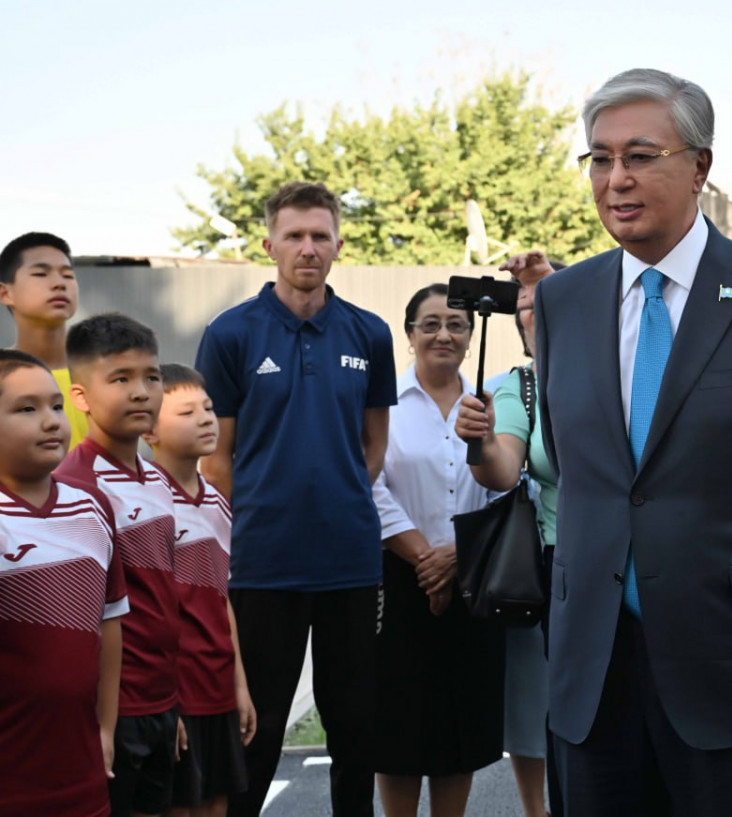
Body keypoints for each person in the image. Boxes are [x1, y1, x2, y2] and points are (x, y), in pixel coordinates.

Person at [532, 68, 732, 817]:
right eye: (600, 158)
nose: (616, 178)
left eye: (640, 156)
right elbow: (583, 472)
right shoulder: (562, 300)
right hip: (595, 679)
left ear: (700, 166)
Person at [194, 181, 396, 817]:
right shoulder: (230, 333)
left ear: (338, 244)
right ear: (269, 245)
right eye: (294, 236)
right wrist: (265, 519)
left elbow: (374, 445)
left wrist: (336, 498)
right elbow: (216, 459)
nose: (308, 248)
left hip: (351, 563)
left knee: (356, 728)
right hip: (263, 564)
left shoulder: (370, 332)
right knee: (258, 728)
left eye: (319, 236)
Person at [371, 284, 502, 817]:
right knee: (397, 725)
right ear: (410, 335)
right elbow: (370, 484)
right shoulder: (384, 403)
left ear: (470, 337)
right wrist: (427, 558)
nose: (443, 334)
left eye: (456, 325)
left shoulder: (488, 404)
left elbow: (506, 487)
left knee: (461, 724)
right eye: (430, 324)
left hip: (474, 578)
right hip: (398, 579)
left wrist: (457, 555)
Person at [56, 313, 184, 817]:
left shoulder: (158, 478)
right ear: (81, 396)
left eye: (151, 377)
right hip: (115, 709)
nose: (141, 392)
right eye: (120, 379)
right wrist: (103, 724)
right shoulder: (74, 486)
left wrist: (171, 703)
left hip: (163, 701)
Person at [0, 349, 128, 817]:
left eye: (56, 405)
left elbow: (109, 620)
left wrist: (106, 729)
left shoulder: (92, 506)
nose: (51, 420)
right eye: (26, 409)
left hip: (82, 769)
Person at [457, 250, 559, 817]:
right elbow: (500, 472)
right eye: (521, 306)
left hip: (635, 561)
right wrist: (483, 440)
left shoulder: (620, 370)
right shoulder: (519, 387)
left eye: (539, 301)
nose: (527, 314)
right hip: (553, 564)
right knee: (539, 701)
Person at [144, 364, 255, 817]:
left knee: (216, 803)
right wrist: (161, 701)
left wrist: (240, 686)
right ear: (149, 431)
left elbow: (220, 598)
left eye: (208, 408)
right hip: (175, 691)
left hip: (217, 687)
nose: (206, 419)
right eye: (186, 412)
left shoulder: (218, 500)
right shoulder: (143, 501)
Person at [0, 232, 90, 448]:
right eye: (41, 274)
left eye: (68, 275)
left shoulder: (105, 373)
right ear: (5, 293)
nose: (59, 283)